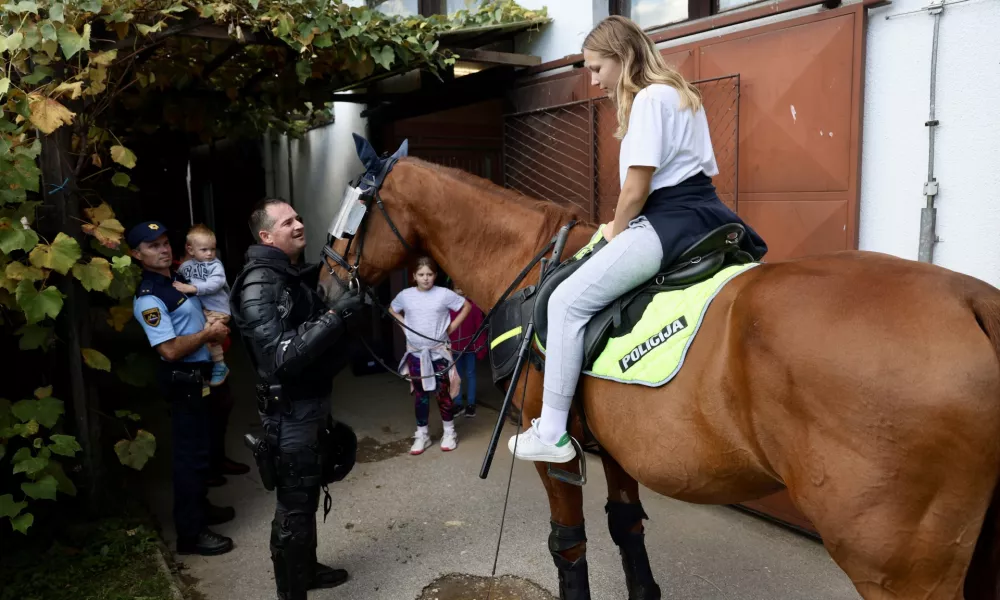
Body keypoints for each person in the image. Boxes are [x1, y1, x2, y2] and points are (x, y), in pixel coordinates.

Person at [509, 16, 768, 463]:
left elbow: (636, 188)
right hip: (708, 215)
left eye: (597, 68)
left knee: (565, 302)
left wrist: (614, 230)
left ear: (622, 57)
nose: (594, 81)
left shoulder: (648, 99)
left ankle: (552, 433)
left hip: (668, 220)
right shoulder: (684, 95)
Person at [229, 199, 364, 600]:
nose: (299, 225)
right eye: (288, 222)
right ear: (266, 236)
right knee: (293, 507)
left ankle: (305, 571)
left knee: (305, 495)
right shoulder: (259, 284)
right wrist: (335, 316)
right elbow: (280, 358)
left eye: (299, 218)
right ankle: (292, 592)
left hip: (310, 406)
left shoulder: (285, 275)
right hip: (289, 414)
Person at [128, 221, 235, 557]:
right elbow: (170, 350)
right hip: (183, 380)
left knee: (201, 451)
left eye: (164, 242)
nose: (163, 249)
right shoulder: (149, 298)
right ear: (136, 254)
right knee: (189, 458)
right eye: (152, 246)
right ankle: (190, 534)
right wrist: (207, 335)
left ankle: (201, 511)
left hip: (200, 375)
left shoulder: (177, 281)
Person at [389, 257, 470, 454]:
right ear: (414, 276)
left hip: (438, 353)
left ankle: (449, 432)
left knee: (443, 394)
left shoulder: (443, 294)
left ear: (435, 275)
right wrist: (405, 327)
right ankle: (422, 434)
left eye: (430, 274)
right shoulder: (405, 295)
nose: (426, 279)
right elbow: (392, 310)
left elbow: (465, 306)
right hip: (416, 355)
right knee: (420, 395)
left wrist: (450, 328)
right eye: (421, 275)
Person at [174, 224, 231, 387]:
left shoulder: (215, 265)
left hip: (218, 309)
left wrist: (193, 288)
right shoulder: (185, 267)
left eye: (212, 249)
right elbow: (178, 281)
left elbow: (216, 283)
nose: (210, 254)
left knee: (209, 332)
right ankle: (205, 368)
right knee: (196, 334)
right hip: (202, 310)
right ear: (190, 250)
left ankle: (220, 364)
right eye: (204, 249)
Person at [448, 286, 486, 418]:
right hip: (455, 349)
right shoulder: (449, 308)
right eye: (457, 287)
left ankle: (471, 404)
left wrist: (479, 346)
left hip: (470, 348)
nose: (461, 290)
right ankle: (458, 404)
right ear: (453, 289)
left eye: (463, 286)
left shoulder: (474, 307)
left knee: (471, 374)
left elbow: (479, 327)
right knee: (456, 376)